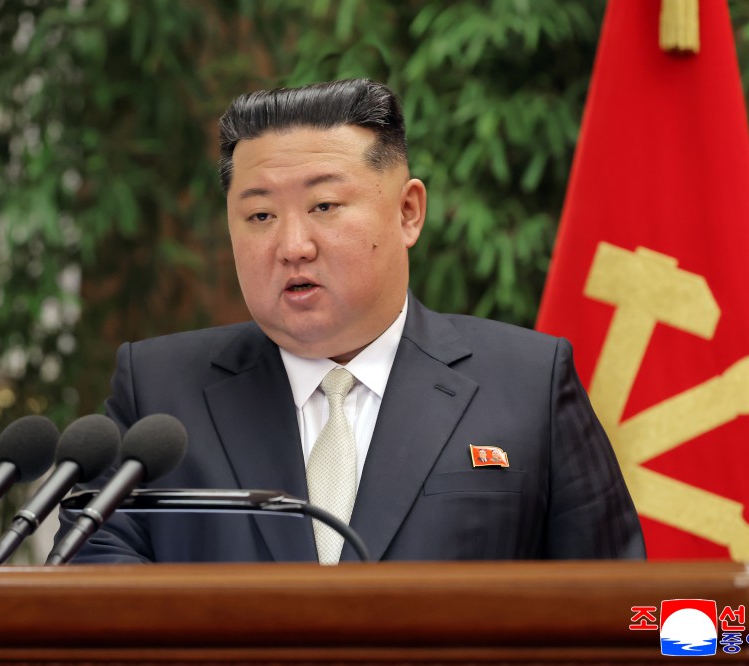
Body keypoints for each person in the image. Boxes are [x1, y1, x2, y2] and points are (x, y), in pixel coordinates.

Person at [60, 79, 645, 563]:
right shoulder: (159, 395)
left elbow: (627, 611)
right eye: (260, 215)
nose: (293, 246)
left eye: (324, 206)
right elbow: (91, 599)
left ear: (408, 212)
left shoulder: (526, 383)